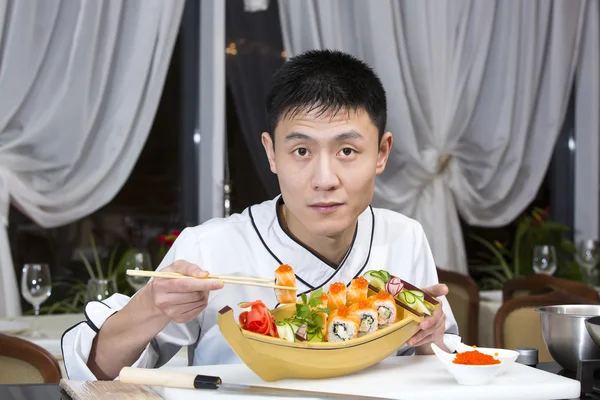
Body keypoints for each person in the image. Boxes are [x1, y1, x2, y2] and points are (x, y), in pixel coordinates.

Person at [62, 49, 460, 381]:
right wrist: (151, 305)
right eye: (301, 151)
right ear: (272, 154)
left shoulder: (404, 237)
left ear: (382, 153)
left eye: (347, 151)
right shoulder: (210, 247)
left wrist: (431, 335)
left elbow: (440, 369)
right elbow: (97, 373)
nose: (325, 180)